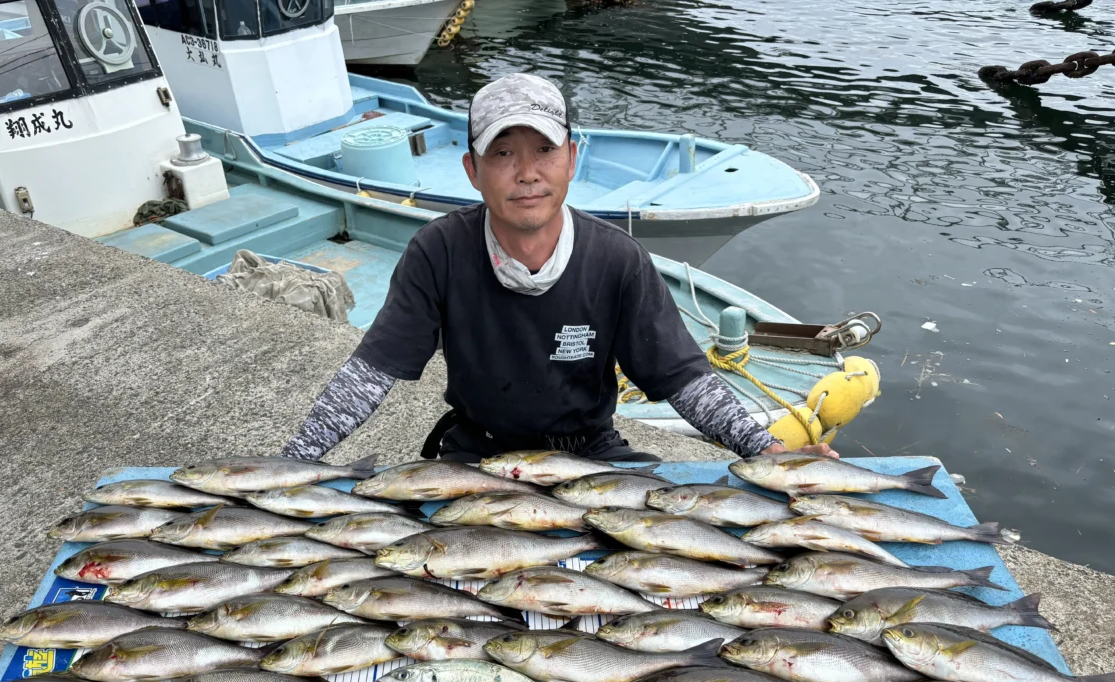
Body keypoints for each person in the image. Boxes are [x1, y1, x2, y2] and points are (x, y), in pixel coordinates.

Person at [282, 73, 835, 463]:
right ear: (472, 169)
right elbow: (369, 375)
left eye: (543, 150)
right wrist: (292, 462)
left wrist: (764, 449)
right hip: (478, 451)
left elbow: (685, 380)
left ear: (572, 158)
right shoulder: (438, 252)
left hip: (588, 453)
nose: (526, 173)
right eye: (502, 154)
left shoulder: (617, 259)